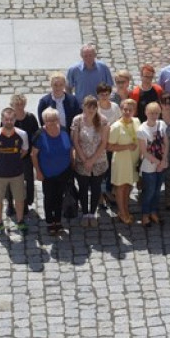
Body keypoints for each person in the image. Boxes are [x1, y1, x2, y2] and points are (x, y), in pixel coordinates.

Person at [31, 108, 73, 236]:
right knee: (49, 198)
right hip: (47, 173)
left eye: (55, 119)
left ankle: (58, 221)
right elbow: (33, 155)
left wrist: (72, 164)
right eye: (49, 120)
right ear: (44, 121)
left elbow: (70, 149)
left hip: (64, 171)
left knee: (59, 197)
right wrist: (38, 172)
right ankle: (50, 222)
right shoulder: (40, 135)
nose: (52, 122)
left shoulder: (65, 130)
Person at [0, 107, 29, 238]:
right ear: (2, 120)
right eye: (6, 119)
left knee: (19, 198)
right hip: (0, 173)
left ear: (15, 120)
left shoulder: (22, 135)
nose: (9, 121)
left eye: (11, 119)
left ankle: (20, 220)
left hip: (17, 173)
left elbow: (24, 151)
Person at [71, 96, 109, 227]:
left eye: (94, 107)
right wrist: (84, 160)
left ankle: (93, 213)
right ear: (83, 106)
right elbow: (75, 141)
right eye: (89, 106)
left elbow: (104, 142)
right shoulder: (77, 120)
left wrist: (92, 160)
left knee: (96, 188)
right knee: (82, 188)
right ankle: (85, 213)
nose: (91, 109)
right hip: (82, 161)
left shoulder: (103, 120)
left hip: (99, 161)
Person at [107, 99, 140, 224]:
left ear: (134, 111)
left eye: (130, 110)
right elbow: (109, 147)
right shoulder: (115, 126)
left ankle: (126, 209)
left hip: (133, 161)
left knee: (128, 186)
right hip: (121, 162)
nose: (127, 112)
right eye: (125, 109)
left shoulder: (136, 121)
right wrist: (126, 147)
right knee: (120, 187)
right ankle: (122, 212)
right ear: (121, 110)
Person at [6, 94, 39, 219]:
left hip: (27, 156)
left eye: (22, 104)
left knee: (27, 180)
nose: (20, 106)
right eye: (17, 104)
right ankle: (10, 203)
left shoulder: (30, 118)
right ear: (12, 105)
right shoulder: (8, 119)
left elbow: (36, 135)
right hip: (11, 156)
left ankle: (25, 203)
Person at [137, 101, 169, 226]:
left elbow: (166, 143)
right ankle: (145, 214)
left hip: (162, 163)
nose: (154, 115)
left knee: (157, 190)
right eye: (151, 112)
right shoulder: (141, 129)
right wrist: (158, 162)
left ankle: (154, 212)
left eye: (156, 113)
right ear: (146, 112)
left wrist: (163, 161)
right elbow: (144, 152)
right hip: (149, 165)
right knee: (149, 191)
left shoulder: (162, 124)